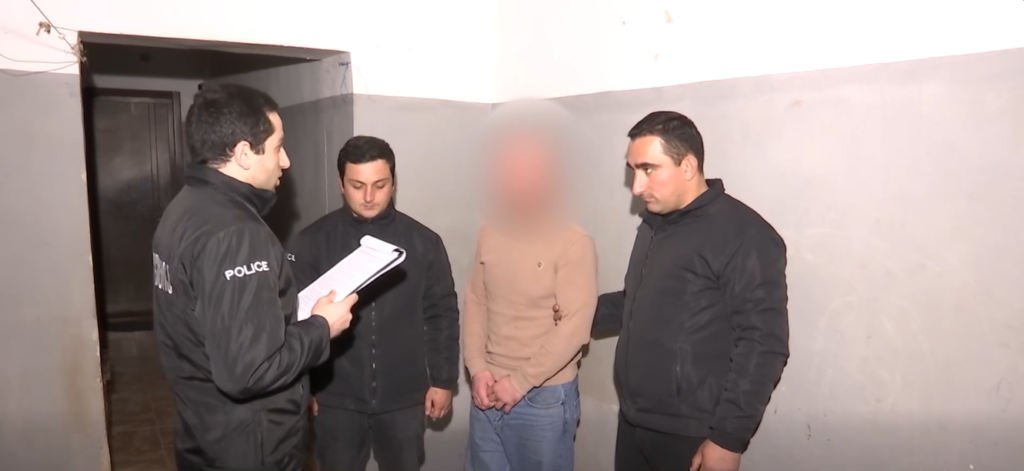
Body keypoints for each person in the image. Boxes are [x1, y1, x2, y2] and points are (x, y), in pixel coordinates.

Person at [151, 83, 358, 471]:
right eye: (278, 147)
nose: (286, 162)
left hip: (203, 431)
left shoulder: (184, 209)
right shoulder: (238, 234)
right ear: (244, 154)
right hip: (250, 447)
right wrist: (321, 327)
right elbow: (251, 369)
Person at [592, 111, 789, 471]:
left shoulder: (744, 234)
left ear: (687, 166)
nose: (636, 187)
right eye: (633, 170)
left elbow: (764, 344)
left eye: (648, 169)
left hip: (693, 435)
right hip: (634, 424)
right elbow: (638, 302)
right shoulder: (653, 225)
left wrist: (727, 439)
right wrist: (571, 311)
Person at [287, 135, 460, 471]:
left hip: (404, 400)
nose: (369, 196)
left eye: (379, 185)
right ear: (341, 184)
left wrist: (443, 380)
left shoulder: (424, 243)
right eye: (357, 185)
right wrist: (304, 388)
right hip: (334, 399)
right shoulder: (311, 243)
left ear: (393, 182)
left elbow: (442, 314)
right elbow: (295, 321)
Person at [462, 101, 598, 471]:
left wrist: (520, 382)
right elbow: (476, 301)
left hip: (543, 398)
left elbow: (575, 327)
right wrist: (477, 368)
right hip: (486, 390)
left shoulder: (573, 241)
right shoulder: (489, 231)